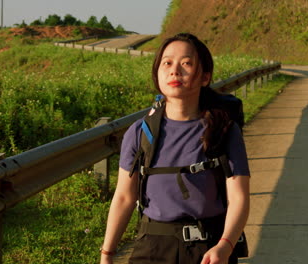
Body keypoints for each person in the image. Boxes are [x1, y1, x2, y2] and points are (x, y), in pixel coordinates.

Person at [100, 33, 250, 264]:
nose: (174, 70)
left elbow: (239, 197)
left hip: (209, 248)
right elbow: (123, 197)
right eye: (167, 63)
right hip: (153, 246)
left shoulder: (223, 130)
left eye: (186, 63)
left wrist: (225, 246)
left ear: (205, 77)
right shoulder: (140, 132)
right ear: (157, 73)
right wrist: (107, 254)